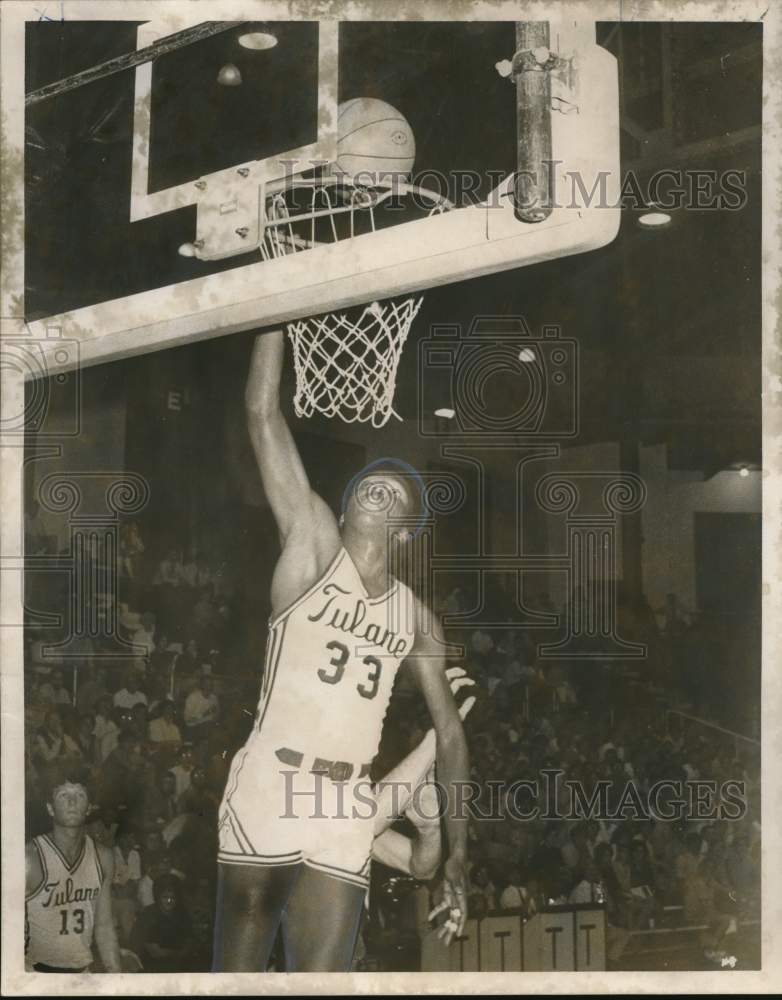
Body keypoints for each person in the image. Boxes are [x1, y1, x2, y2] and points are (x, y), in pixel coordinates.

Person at [213, 332, 470, 972]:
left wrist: (459, 858)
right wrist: (278, 310)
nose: (375, 487)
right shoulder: (313, 546)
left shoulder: (417, 619)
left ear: (405, 530)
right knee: (234, 980)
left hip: (346, 803)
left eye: (393, 489)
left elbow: (453, 736)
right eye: (369, 481)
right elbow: (261, 414)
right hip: (272, 781)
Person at [25, 771, 121, 972]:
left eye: (79, 795)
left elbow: (104, 926)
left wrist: (116, 976)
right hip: (35, 972)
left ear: (89, 808)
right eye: (63, 795)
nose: (71, 802)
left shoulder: (103, 856)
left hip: (81, 972)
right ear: (50, 808)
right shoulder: (29, 856)